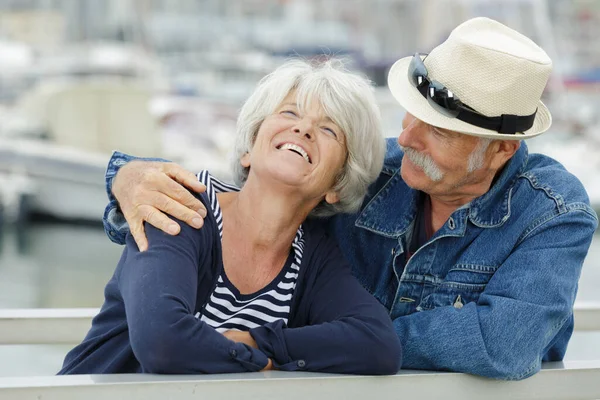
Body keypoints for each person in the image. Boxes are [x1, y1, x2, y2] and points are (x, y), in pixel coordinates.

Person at [101, 17, 598, 380]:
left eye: (438, 132)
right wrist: (125, 177)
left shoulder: (553, 213)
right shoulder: (375, 170)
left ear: (501, 150)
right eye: (409, 114)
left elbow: (504, 344)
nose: (405, 139)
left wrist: (302, 342)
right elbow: (264, 186)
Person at [59, 59, 403, 375]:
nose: (304, 129)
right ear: (249, 148)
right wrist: (262, 362)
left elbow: (378, 345)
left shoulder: (313, 257)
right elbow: (161, 340)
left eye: (329, 130)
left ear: (337, 185)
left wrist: (260, 341)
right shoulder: (180, 206)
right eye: (289, 113)